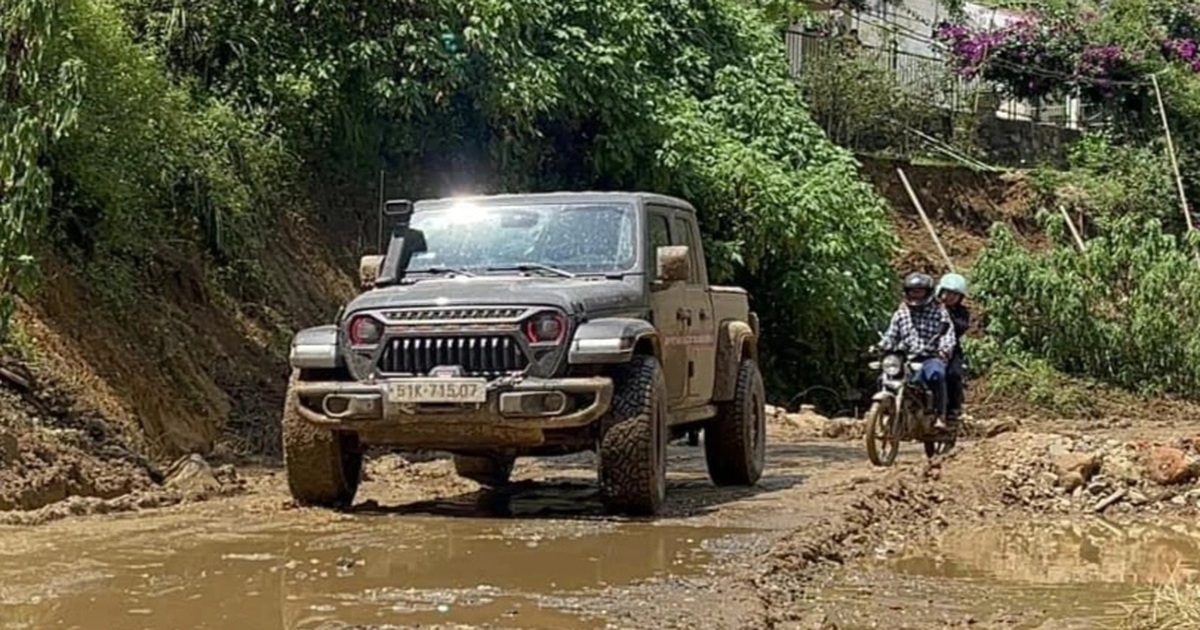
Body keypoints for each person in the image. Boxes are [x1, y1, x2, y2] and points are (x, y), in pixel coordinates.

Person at [878, 272, 957, 429]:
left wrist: (944, 350)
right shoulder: (901, 313)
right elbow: (891, 335)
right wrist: (881, 345)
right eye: (913, 291)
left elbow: (948, 335)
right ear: (907, 292)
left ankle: (939, 415)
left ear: (928, 292)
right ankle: (887, 411)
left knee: (936, 375)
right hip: (905, 358)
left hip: (929, 357)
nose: (916, 295)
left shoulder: (939, 312)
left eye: (920, 291)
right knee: (884, 377)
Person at [937, 273, 971, 426]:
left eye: (954, 295)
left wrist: (946, 316)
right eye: (947, 292)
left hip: (949, 349)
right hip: (925, 347)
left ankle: (953, 408)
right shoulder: (929, 307)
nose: (949, 297)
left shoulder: (961, 313)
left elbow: (960, 327)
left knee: (953, 374)